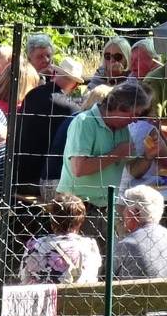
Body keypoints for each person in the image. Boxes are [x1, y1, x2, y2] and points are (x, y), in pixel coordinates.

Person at [57, 82, 151, 235]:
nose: (135, 120)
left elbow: (133, 170)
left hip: (107, 209)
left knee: (105, 258)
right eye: (134, 114)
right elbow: (79, 169)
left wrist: (148, 156)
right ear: (119, 108)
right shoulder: (84, 122)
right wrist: (116, 154)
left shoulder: (122, 129)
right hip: (78, 210)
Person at [20, 56, 88, 198]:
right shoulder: (71, 109)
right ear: (75, 86)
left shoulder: (32, 94)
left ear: (55, 74)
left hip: (20, 174)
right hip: (44, 178)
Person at [21, 193, 100, 285]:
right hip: (80, 296)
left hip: (42, 297)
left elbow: (24, 279)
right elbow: (92, 277)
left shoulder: (36, 245)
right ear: (80, 222)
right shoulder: (89, 246)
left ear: (52, 219)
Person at [113, 186, 167, 279]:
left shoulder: (127, 245)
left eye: (126, 207)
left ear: (134, 213)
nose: (123, 213)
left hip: (133, 293)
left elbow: (106, 279)